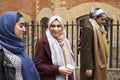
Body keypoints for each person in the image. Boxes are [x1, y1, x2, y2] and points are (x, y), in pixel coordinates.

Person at [0, 11, 40, 80]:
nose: (24, 29)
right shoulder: (1, 51)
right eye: (21, 26)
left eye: (24, 26)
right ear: (9, 26)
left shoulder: (19, 47)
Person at [34, 15, 75, 80]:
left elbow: (69, 62)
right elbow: (38, 66)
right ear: (49, 27)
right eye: (52, 26)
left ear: (62, 27)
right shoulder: (42, 42)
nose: (56, 29)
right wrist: (58, 69)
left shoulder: (65, 41)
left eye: (59, 26)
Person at [80, 8, 109, 80]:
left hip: (96, 62)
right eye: (102, 19)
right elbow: (87, 48)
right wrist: (89, 68)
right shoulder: (89, 28)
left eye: (105, 20)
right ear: (95, 18)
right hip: (92, 64)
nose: (104, 22)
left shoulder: (99, 28)